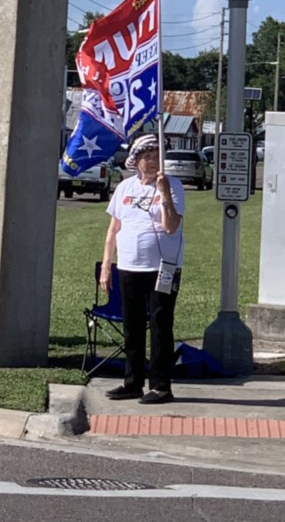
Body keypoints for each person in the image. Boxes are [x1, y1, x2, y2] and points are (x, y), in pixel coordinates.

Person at [100, 133, 186, 404]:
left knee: (160, 325)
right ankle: (132, 382)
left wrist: (164, 194)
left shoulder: (173, 186)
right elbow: (113, 229)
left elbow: (171, 226)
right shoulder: (124, 188)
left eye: (156, 156)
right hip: (129, 266)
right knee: (132, 326)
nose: (150, 162)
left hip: (162, 267)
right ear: (135, 161)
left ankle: (161, 386)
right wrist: (106, 266)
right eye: (146, 156)